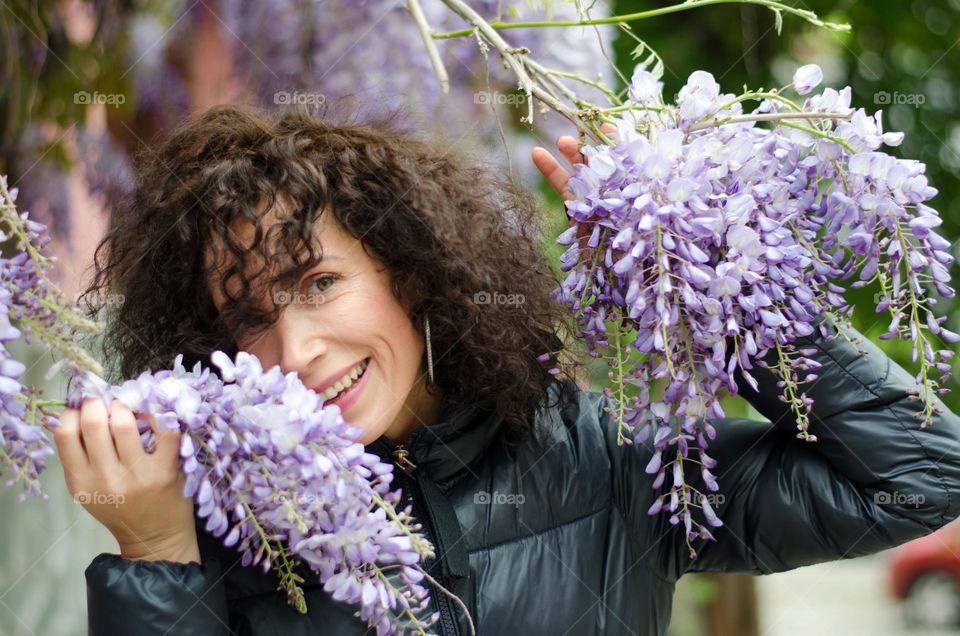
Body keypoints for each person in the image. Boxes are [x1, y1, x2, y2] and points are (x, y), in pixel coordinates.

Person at [55, 104, 960, 635]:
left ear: (410, 269)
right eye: (247, 320)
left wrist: (704, 287)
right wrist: (157, 556)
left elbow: (920, 479)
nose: (296, 355)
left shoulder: (610, 462)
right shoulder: (230, 534)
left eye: (320, 282)